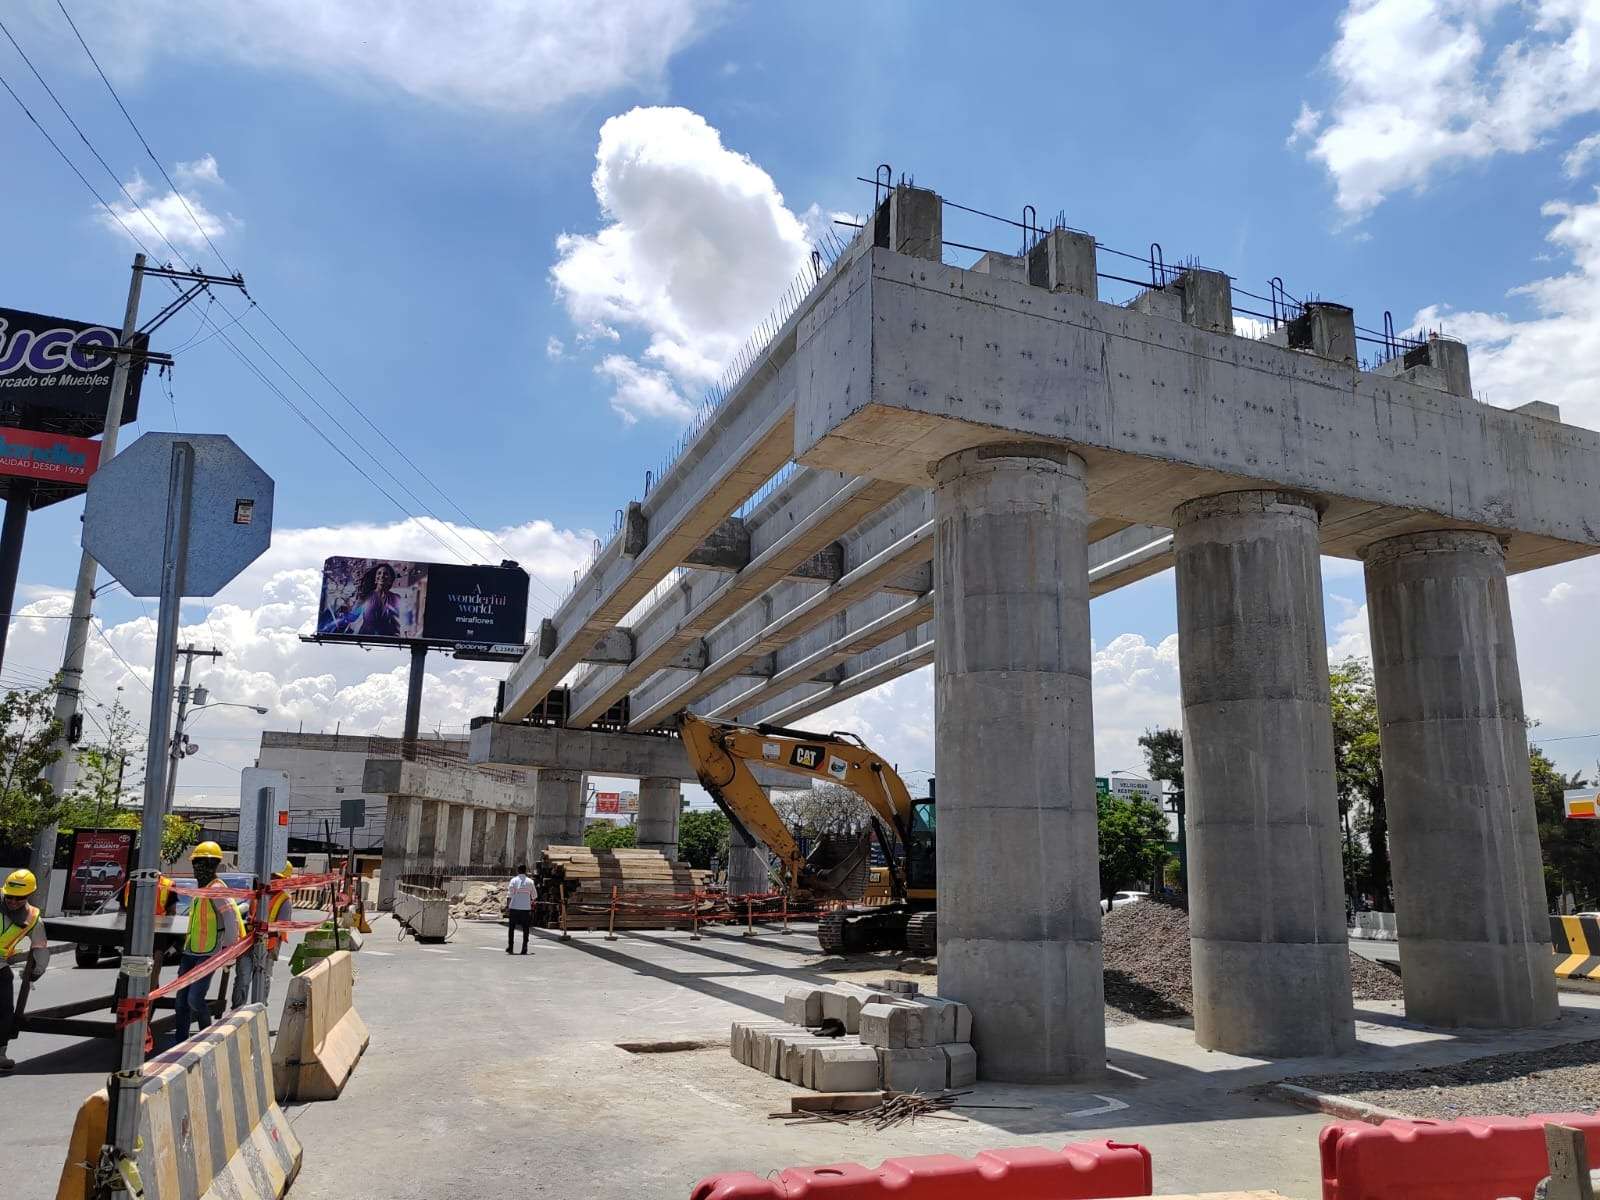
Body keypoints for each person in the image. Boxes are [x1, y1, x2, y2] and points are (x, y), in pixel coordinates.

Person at [173, 842, 242, 1044]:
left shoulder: (217, 890)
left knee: (194, 999)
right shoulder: (201, 889)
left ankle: (206, 1037)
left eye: (200, 863)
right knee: (181, 1001)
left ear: (212, 865)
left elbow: (231, 920)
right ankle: (180, 1042)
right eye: (196, 863)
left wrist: (230, 951)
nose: (197, 868)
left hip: (208, 953)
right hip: (191, 952)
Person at [0, 869, 47, 1073]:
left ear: (29, 895)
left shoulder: (33, 917)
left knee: (4, 1011)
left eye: (18, 898)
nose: (12, 901)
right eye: (9, 896)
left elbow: (40, 948)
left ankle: (0, 1053)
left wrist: (37, 971)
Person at [232, 862, 295, 1007]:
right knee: (243, 978)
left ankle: (259, 1010)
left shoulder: (284, 900)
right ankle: (237, 1011)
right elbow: (248, 909)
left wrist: (264, 929)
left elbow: (282, 925)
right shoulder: (259, 893)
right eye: (272, 875)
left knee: (263, 980)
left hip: (268, 945)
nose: (273, 879)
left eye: (277, 877)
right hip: (249, 942)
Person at [505, 863, 535, 955]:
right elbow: (534, 896)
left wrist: (507, 907)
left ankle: (510, 947)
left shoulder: (513, 881)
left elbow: (509, 895)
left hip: (514, 907)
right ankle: (524, 947)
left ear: (518, 870)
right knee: (526, 929)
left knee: (511, 928)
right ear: (525, 871)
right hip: (525, 908)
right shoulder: (530, 882)